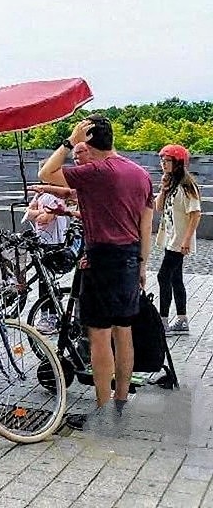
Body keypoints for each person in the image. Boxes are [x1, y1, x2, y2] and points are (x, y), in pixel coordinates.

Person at [38, 115, 153, 427]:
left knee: (100, 336)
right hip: (130, 257)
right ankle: (120, 405)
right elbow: (145, 224)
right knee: (123, 332)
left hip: (102, 257)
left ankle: (102, 412)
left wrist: (67, 141)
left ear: (87, 142)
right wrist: (142, 264)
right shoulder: (140, 174)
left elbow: (46, 172)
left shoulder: (98, 171)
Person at [154, 144, 201, 336]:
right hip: (170, 238)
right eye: (162, 160)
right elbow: (158, 207)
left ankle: (164, 320)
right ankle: (182, 320)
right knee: (175, 278)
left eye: (167, 161)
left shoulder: (187, 185)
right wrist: (163, 189)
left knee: (163, 276)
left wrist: (187, 240)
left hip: (179, 240)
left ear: (178, 163)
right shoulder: (171, 184)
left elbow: (196, 213)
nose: (163, 164)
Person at [23, 166, 71, 334]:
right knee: (43, 281)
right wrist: (36, 212)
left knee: (48, 281)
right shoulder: (41, 194)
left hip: (54, 242)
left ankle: (53, 317)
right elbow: (27, 214)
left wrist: (35, 212)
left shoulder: (56, 196)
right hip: (41, 241)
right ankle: (46, 314)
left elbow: (44, 218)